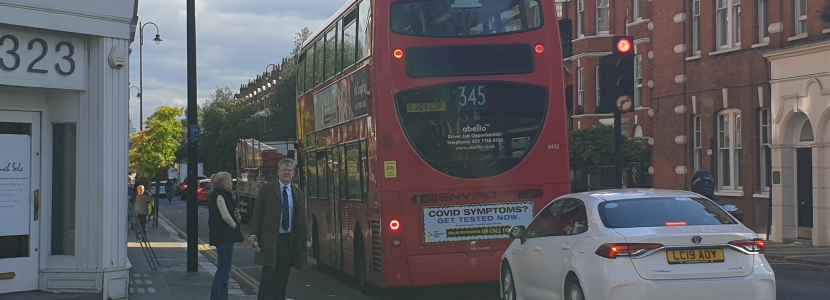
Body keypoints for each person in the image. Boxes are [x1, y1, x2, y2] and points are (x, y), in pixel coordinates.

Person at [248, 158, 309, 300]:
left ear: (294, 172)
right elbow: (258, 213)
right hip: (271, 240)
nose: (286, 173)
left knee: (282, 275)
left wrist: (307, 238)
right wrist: (253, 234)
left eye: (289, 170)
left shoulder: (297, 192)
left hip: (288, 240)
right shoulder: (267, 189)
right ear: (278, 172)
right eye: (283, 170)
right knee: (269, 273)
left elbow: (302, 218)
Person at [208, 172, 244, 300]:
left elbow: (229, 212)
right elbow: (225, 215)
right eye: (230, 181)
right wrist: (234, 225)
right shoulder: (219, 195)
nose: (232, 183)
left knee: (223, 270)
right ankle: (218, 297)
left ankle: (221, 296)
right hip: (223, 236)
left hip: (222, 235)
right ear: (224, 183)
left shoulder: (221, 194)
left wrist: (237, 216)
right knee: (224, 270)